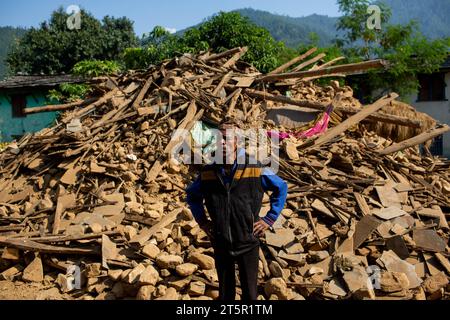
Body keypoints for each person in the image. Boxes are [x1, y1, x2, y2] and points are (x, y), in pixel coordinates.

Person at [186, 119, 288, 300]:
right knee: (226, 294)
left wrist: (269, 218)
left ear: (238, 142)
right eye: (219, 139)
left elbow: (281, 187)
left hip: (248, 241)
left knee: (250, 294)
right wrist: (202, 222)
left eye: (227, 139)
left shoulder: (255, 168)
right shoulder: (209, 171)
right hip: (221, 242)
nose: (222, 143)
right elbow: (193, 196)